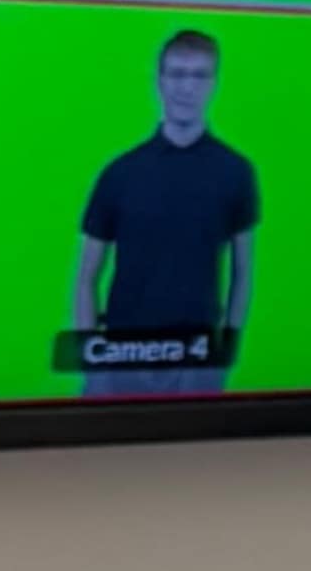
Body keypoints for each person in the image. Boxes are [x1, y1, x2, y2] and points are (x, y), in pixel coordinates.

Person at [74, 28, 256, 384]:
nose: (187, 87)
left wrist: (230, 342)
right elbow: (86, 277)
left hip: (197, 356)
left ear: (213, 83)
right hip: (121, 353)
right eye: (177, 74)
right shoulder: (120, 173)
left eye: (199, 75)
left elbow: (243, 269)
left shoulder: (235, 171)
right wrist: (88, 354)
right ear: (160, 80)